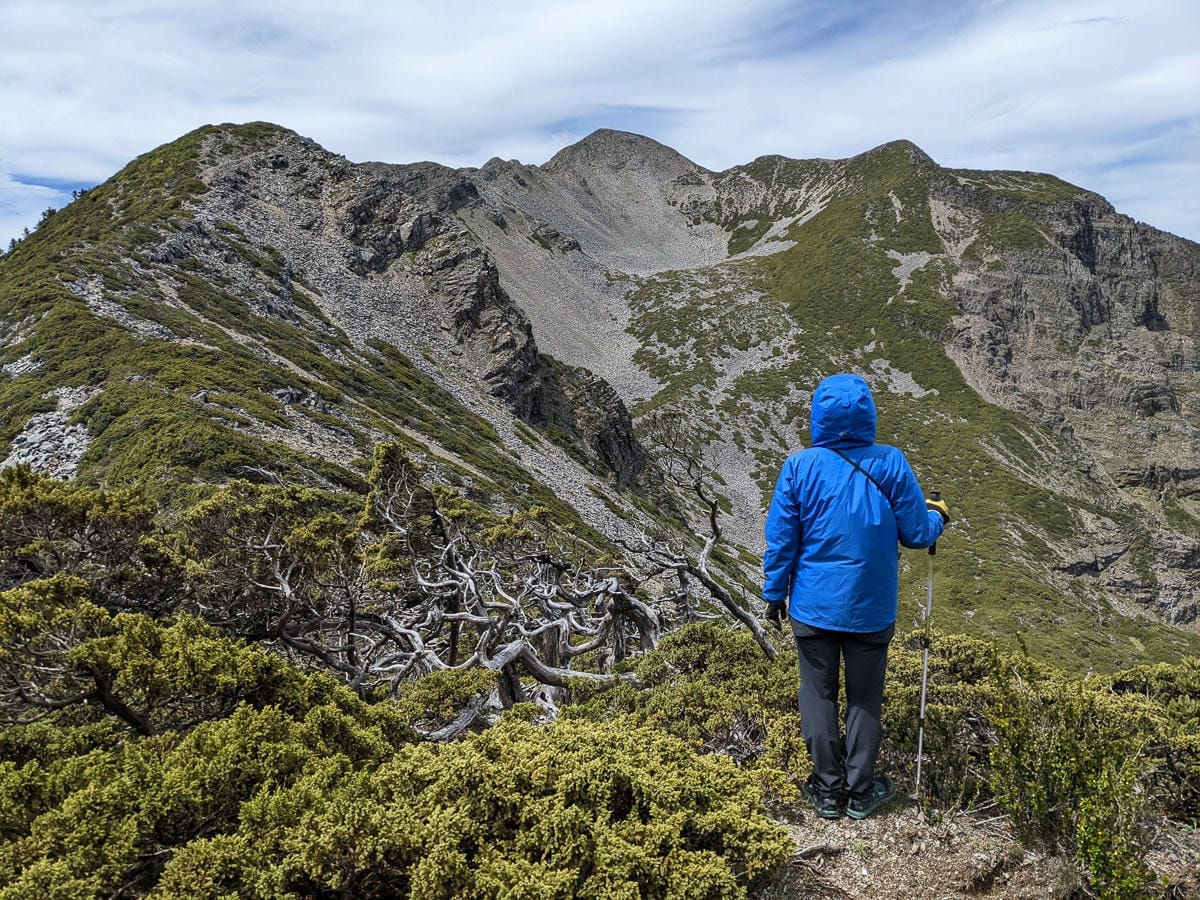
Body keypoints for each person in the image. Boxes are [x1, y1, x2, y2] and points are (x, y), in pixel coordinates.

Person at [762, 373, 949, 820]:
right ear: (868, 412)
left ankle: (827, 791)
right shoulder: (891, 462)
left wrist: (774, 594)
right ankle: (861, 792)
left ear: (818, 415)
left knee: (818, 694)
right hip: (871, 608)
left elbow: (781, 540)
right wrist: (939, 516)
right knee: (865, 696)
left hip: (812, 606)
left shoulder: (800, 467)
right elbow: (918, 534)